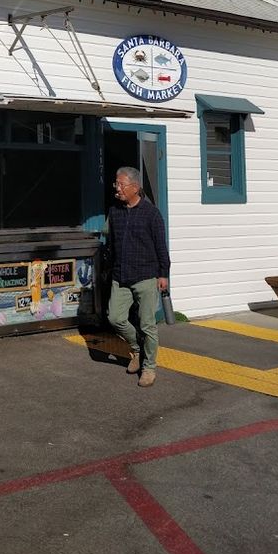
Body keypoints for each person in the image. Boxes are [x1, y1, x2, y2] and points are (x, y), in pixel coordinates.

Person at [106, 166, 170, 388]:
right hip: (120, 275)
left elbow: (161, 247)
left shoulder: (151, 213)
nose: (117, 188)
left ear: (135, 187)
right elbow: (111, 244)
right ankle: (137, 349)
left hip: (145, 276)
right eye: (116, 183)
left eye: (121, 184)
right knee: (115, 317)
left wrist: (164, 274)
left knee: (147, 325)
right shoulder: (115, 211)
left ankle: (149, 367)